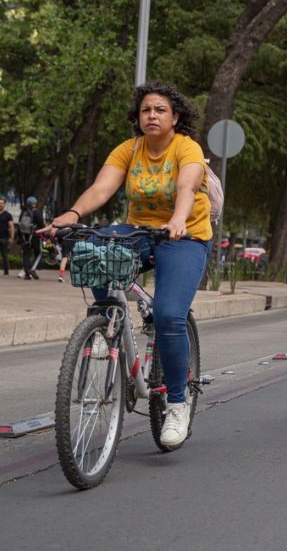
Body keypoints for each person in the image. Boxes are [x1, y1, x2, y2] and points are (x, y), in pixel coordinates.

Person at [46, 81, 213, 448]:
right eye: (145, 110)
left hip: (184, 236)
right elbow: (101, 189)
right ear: (138, 117)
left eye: (160, 110)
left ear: (176, 117)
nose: (151, 116)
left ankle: (176, 403)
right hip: (139, 231)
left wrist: (179, 219)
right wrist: (70, 214)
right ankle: (105, 323)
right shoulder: (129, 149)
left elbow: (186, 188)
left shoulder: (188, 149)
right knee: (95, 248)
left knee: (169, 315)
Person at [18, 196, 45, 279]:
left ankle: (27, 275)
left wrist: (20, 237)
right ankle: (32, 269)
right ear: (35, 203)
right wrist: (43, 236)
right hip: (35, 236)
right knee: (39, 253)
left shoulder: (23, 212)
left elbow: (19, 225)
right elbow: (41, 225)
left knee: (26, 255)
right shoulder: (37, 212)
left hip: (25, 237)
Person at [0, 197, 13, 275]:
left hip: (4, 238)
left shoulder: (8, 215)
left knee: (4, 255)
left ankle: (6, 271)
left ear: (4, 204)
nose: (0, 204)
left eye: (2, 203)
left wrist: (12, 237)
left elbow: (11, 226)